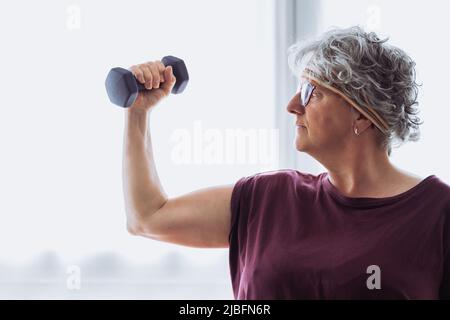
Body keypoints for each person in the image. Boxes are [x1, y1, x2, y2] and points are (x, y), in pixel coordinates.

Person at [122, 26, 450, 299]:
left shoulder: (438, 213)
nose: (293, 105)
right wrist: (138, 112)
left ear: (362, 115)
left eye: (312, 92)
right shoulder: (267, 198)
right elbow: (147, 217)